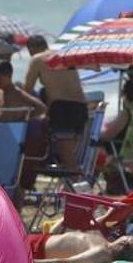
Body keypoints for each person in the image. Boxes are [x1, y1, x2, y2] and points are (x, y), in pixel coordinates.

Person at [25, 34, 88, 171]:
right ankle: (71, 186)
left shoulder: (37, 59)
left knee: (66, 155)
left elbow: (27, 90)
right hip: (81, 107)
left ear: (31, 49)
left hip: (62, 108)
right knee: (70, 153)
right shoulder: (63, 55)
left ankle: (77, 185)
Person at [25, 230, 133, 263]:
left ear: (125, 243)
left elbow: (67, 262)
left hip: (34, 249)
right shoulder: (104, 242)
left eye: (131, 237)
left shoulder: (101, 253)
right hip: (38, 240)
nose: (127, 235)